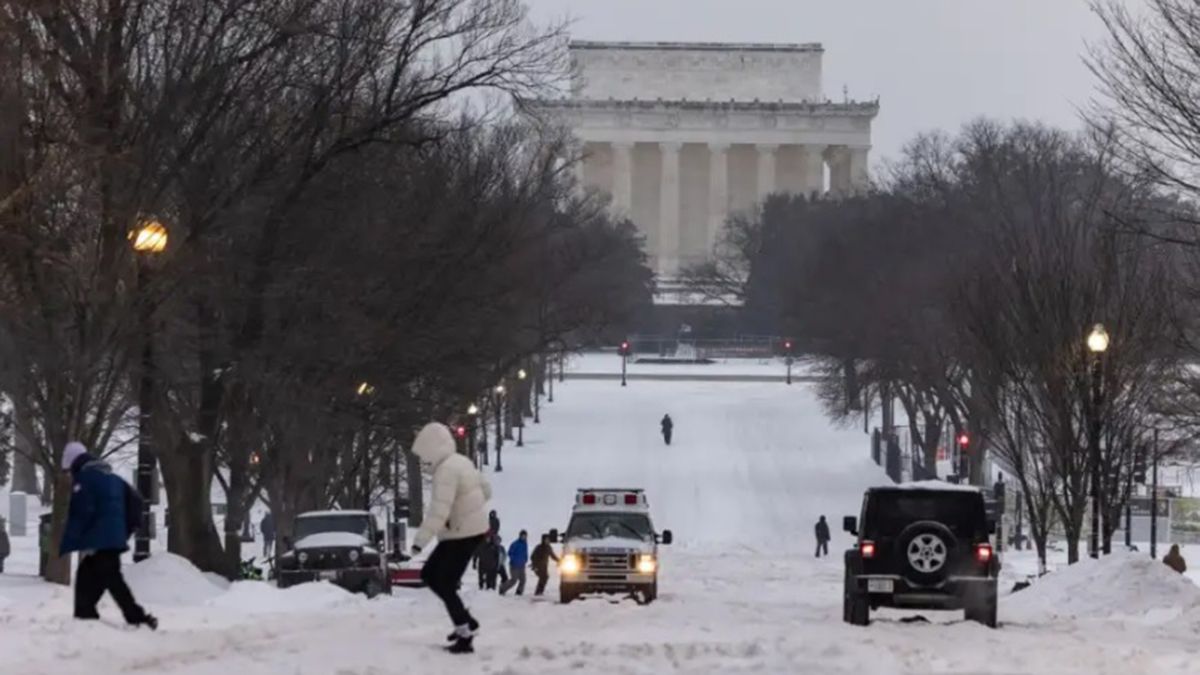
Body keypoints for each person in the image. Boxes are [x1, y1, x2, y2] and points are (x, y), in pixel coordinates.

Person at [411, 423, 492, 654]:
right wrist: (468, 510)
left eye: (423, 455)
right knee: (430, 575)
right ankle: (466, 621)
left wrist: (420, 542)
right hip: (466, 531)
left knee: (443, 582)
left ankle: (464, 634)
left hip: (460, 534)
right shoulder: (461, 461)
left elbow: (439, 511)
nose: (423, 462)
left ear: (432, 449)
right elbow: (486, 491)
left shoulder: (445, 471)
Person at [59, 442, 157, 629]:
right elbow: (136, 501)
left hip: (101, 540)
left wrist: (69, 541)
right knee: (91, 574)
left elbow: (81, 512)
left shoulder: (84, 480)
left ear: (73, 464)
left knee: (111, 578)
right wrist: (126, 530)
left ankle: (137, 618)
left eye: (68, 470)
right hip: (110, 538)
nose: (69, 475)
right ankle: (85, 615)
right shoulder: (113, 478)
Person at [500, 530, 530, 596]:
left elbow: (525, 553)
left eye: (525, 536)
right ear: (520, 536)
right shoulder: (515, 544)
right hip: (514, 565)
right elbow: (510, 553)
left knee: (523, 580)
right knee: (514, 580)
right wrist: (514, 560)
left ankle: (519, 592)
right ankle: (502, 588)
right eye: (523, 536)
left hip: (522, 565)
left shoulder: (525, 544)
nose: (524, 537)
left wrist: (525, 559)